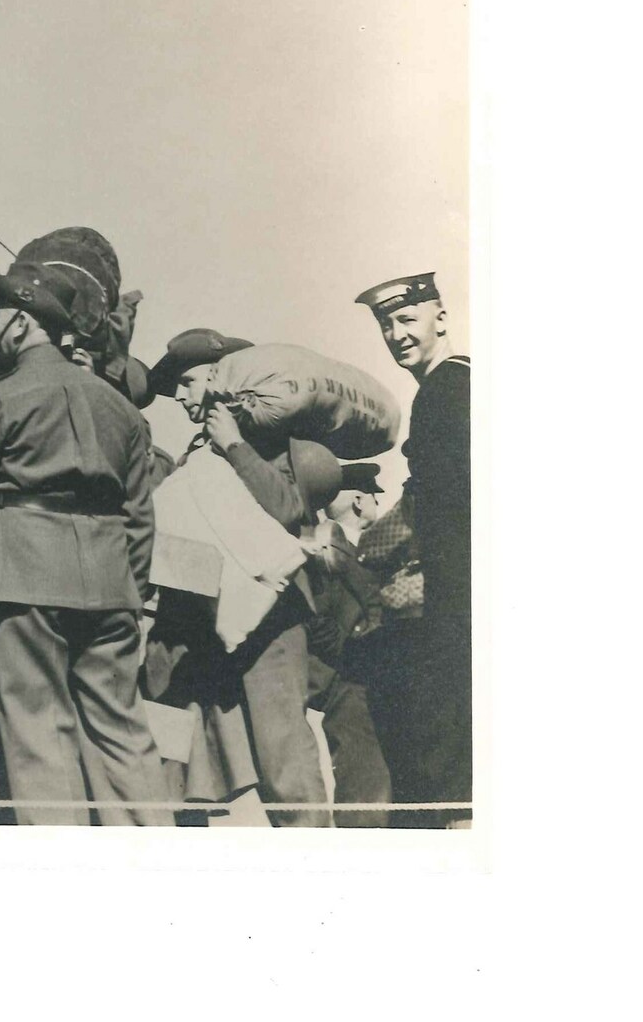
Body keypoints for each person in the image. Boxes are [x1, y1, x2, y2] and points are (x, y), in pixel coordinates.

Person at [0, 261, 169, 826]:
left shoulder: (3, 397)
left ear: (22, 321)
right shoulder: (121, 407)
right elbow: (140, 511)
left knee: (40, 732)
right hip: (111, 581)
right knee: (122, 731)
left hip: (27, 573)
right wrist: (132, 588)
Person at [149, 327, 341, 826]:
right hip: (218, 615)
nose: (179, 395)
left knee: (283, 757)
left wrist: (235, 444)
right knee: (201, 753)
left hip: (272, 617)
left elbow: (285, 508)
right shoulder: (199, 449)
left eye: (188, 383)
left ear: (219, 377)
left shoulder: (270, 439)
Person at [354, 271, 472, 827]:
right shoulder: (463, 382)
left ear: (440, 319)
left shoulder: (446, 391)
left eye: (406, 319)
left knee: (442, 766)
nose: (396, 333)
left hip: (454, 601)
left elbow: (444, 509)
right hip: (460, 592)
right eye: (386, 324)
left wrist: (376, 554)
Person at [303, 464, 395, 823]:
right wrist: (356, 654)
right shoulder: (329, 549)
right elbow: (316, 621)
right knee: (365, 779)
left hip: (361, 677)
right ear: (359, 500)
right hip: (351, 680)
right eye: (373, 496)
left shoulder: (344, 549)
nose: (376, 503)